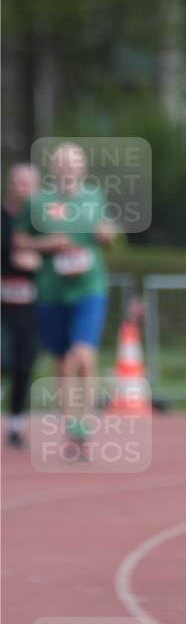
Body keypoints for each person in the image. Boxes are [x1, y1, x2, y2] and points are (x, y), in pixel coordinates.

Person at [16, 143, 116, 448]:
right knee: (61, 363)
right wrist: (47, 246)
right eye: (62, 163)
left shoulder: (93, 196)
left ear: (82, 169)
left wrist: (105, 236)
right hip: (51, 292)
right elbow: (19, 239)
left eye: (74, 163)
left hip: (89, 288)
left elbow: (109, 234)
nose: (68, 168)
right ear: (52, 169)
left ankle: (85, 419)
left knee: (83, 356)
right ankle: (71, 420)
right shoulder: (37, 202)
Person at [1, 164, 42, 447]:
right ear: (9, 185)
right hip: (2, 306)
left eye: (28, 184)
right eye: (18, 182)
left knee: (24, 366)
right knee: (2, 360)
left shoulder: (43, 225)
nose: (22, 188)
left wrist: (38, 261)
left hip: (32, 307)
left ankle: (15, 425)